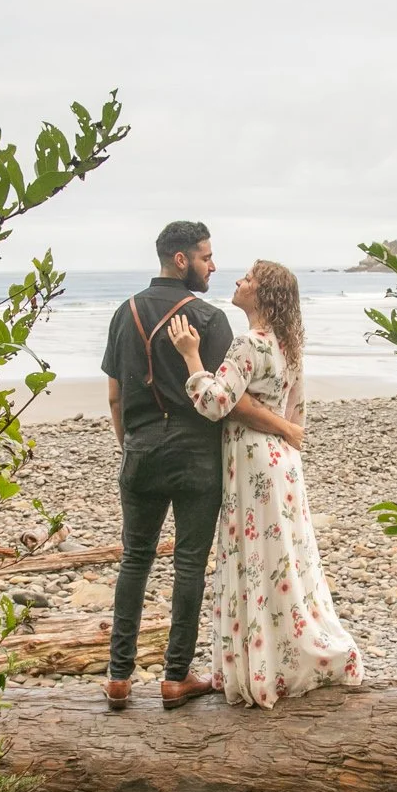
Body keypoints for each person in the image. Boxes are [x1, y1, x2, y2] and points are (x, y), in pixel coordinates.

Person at [100, 222, 304, 711]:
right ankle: (175, 678)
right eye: (206, 257)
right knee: (189, 564)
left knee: (134, 559)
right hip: (196, 457)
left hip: (142, 451)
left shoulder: (123, 313)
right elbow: (226, 402)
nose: (213, 266)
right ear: (180, 259)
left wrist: (131, 445)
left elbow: (114, 396)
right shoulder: (211, 320)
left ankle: (118, 678)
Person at [167, 260, 362, 708]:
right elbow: (297, 417)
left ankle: (264, 665)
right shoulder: (289, 347)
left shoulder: (248, 344)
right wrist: (282, 436)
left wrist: (190, 354)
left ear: (264, 296)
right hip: (285, 465)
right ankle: (291, 653)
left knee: (256, 559)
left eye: (249, 279)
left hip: (253, 461)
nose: (238, 281)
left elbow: (215, 403)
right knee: (286, 558)